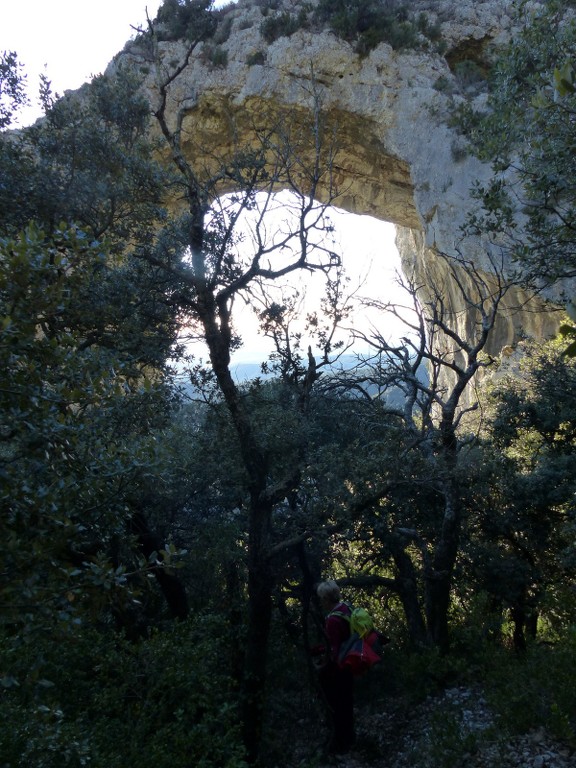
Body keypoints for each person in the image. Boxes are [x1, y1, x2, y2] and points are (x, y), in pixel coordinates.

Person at [315, 579, 355, 755]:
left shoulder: (332, 620)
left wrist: (321, 666)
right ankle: (350, 739)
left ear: (325, 598)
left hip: (338, 669)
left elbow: (333, 648)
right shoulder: (346, 608)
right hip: (350, 663)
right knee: (347, 704)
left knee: (337, 706)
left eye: (321, 598)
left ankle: (340, 744)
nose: (320, 601)